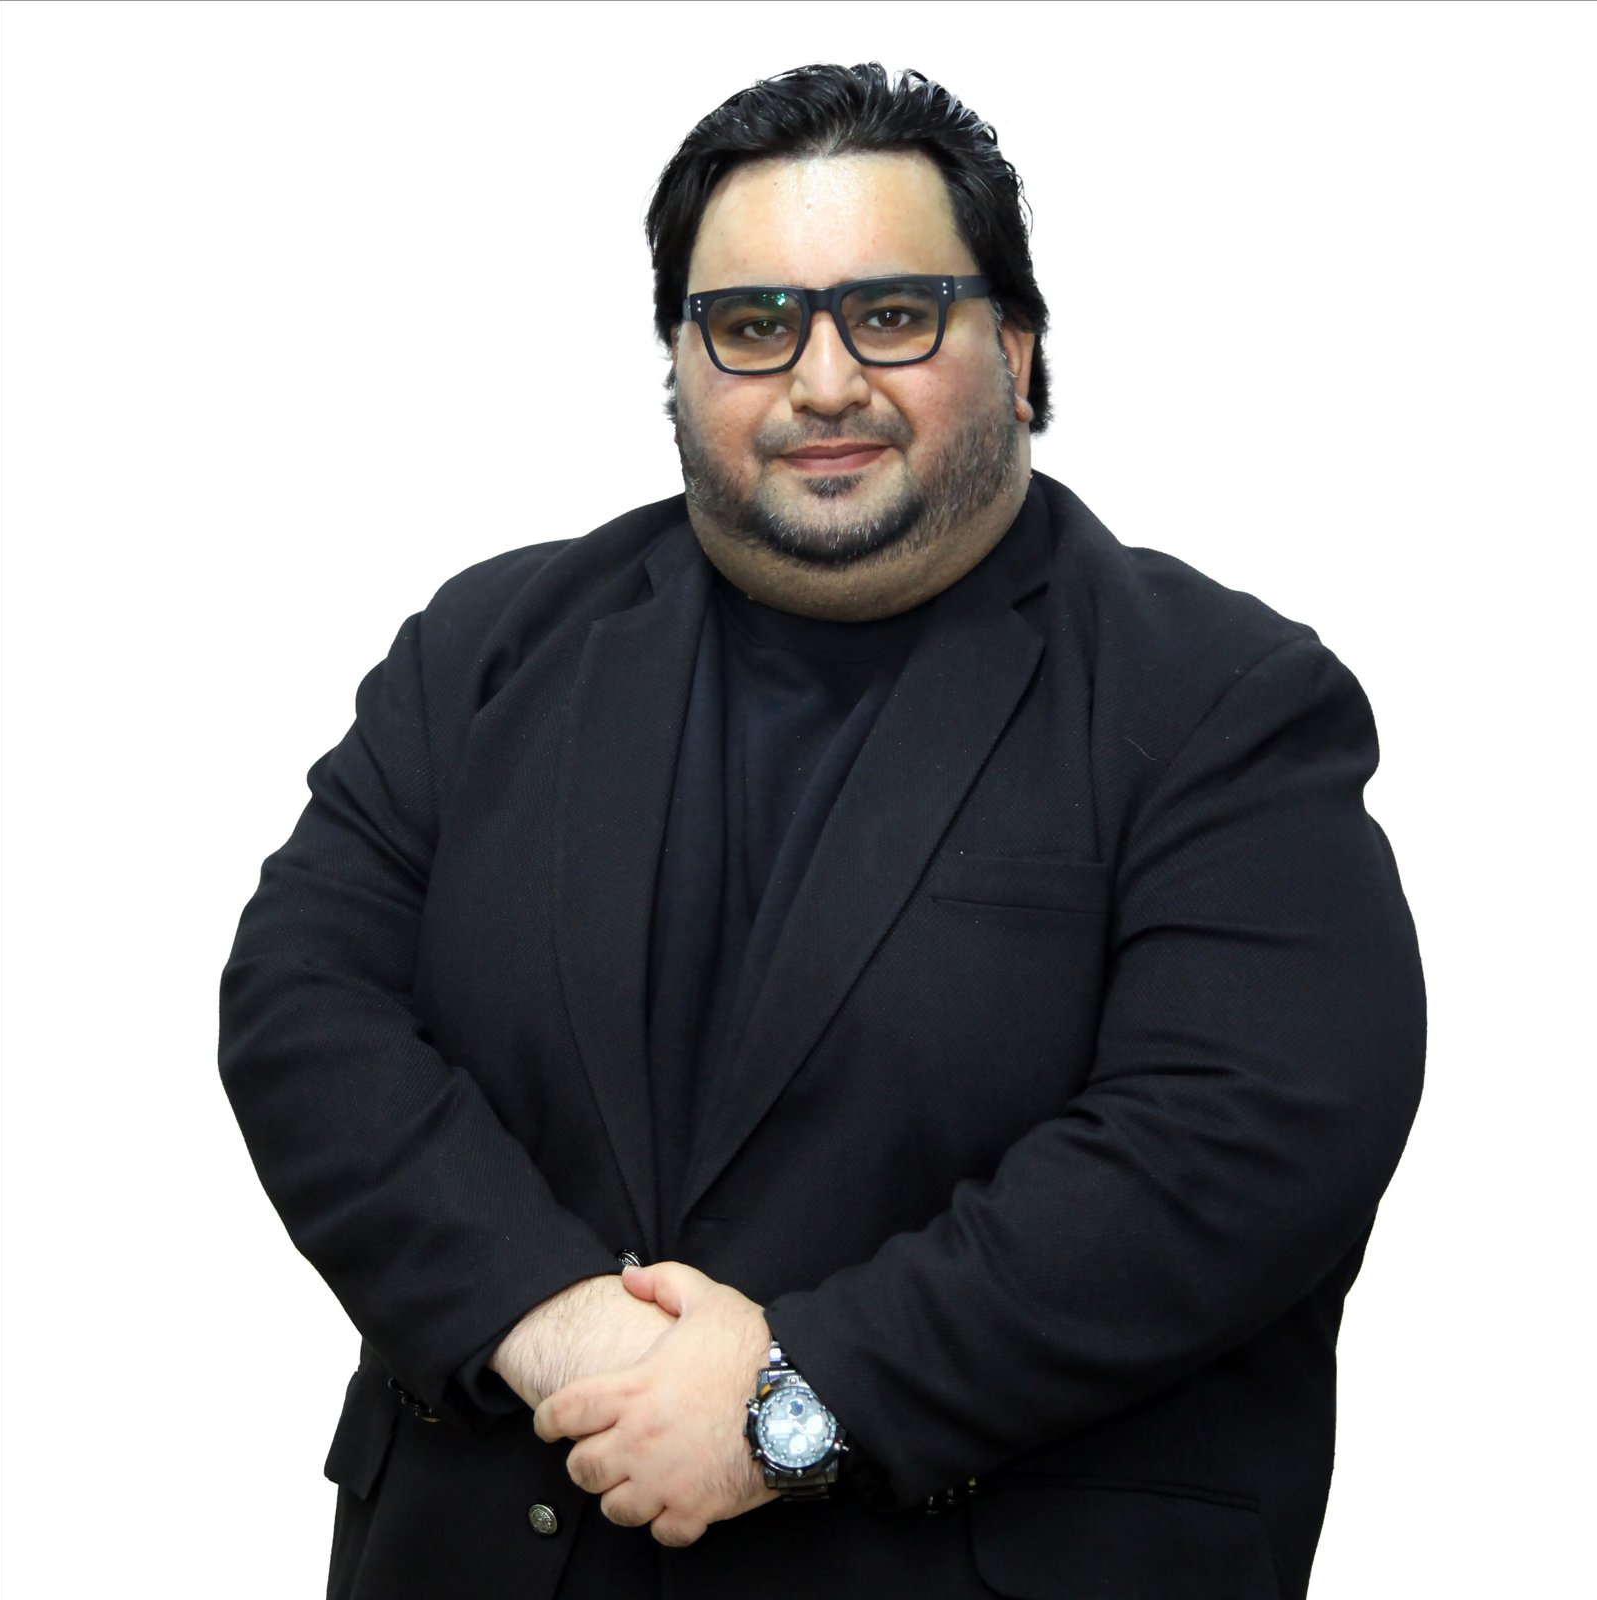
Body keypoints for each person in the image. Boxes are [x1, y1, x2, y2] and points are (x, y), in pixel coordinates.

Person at [218, 61, 1425, 1600]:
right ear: (681, 363)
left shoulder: (1222, 700)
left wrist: (796, 1395)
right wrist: (550, 1318)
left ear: (1019, 350)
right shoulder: (485, 649)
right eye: (754, 324)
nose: (826, 381)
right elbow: (304, 1007)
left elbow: (1239, 1140)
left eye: (894, 314)